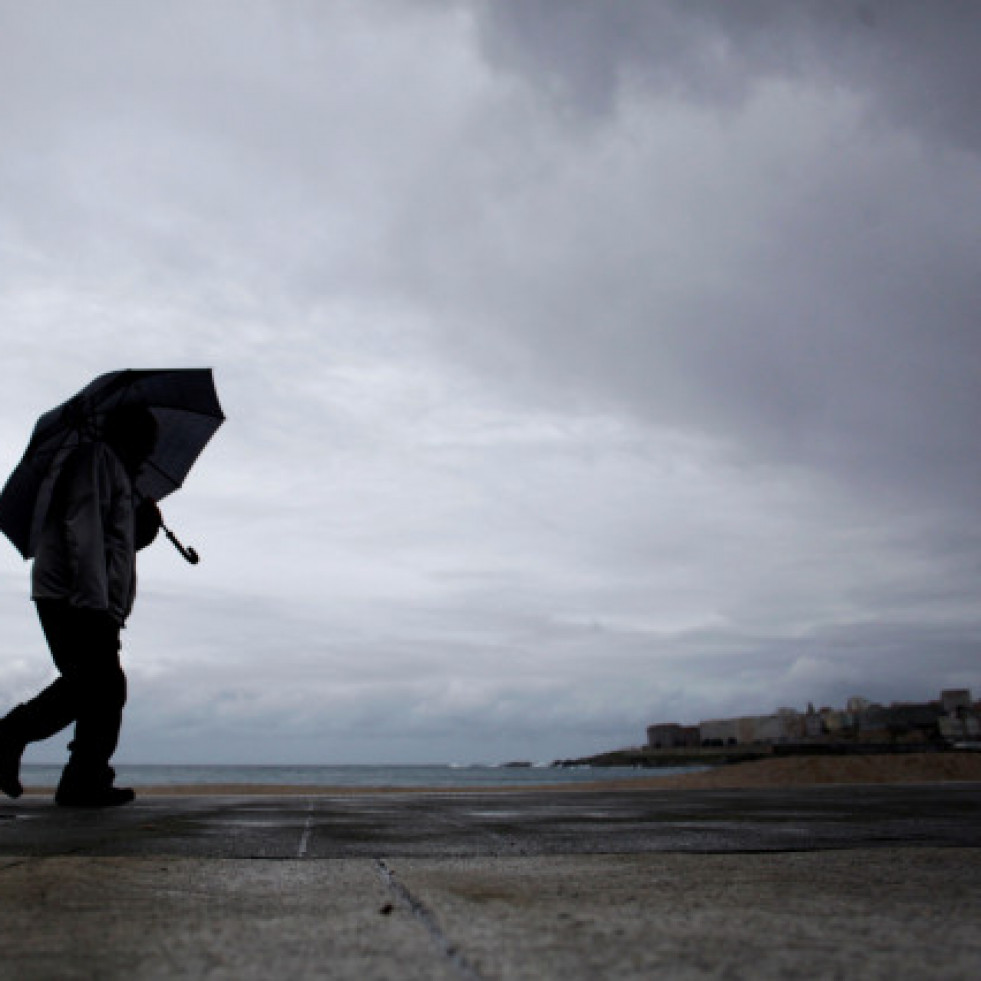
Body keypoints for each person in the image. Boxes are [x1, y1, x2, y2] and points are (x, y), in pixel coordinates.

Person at [0, 405, 161, 807]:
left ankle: (80, 778)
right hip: (73, 596)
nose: (150, 450)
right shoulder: (95, 459)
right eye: (147, 440)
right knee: (96, 684)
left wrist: (143, 528)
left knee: (98, 686)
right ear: (131, 435)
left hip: (91, 599)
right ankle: (20, 743)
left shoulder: (118, 471)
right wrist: (94, 604)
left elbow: (115, 544)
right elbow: (82, 528)